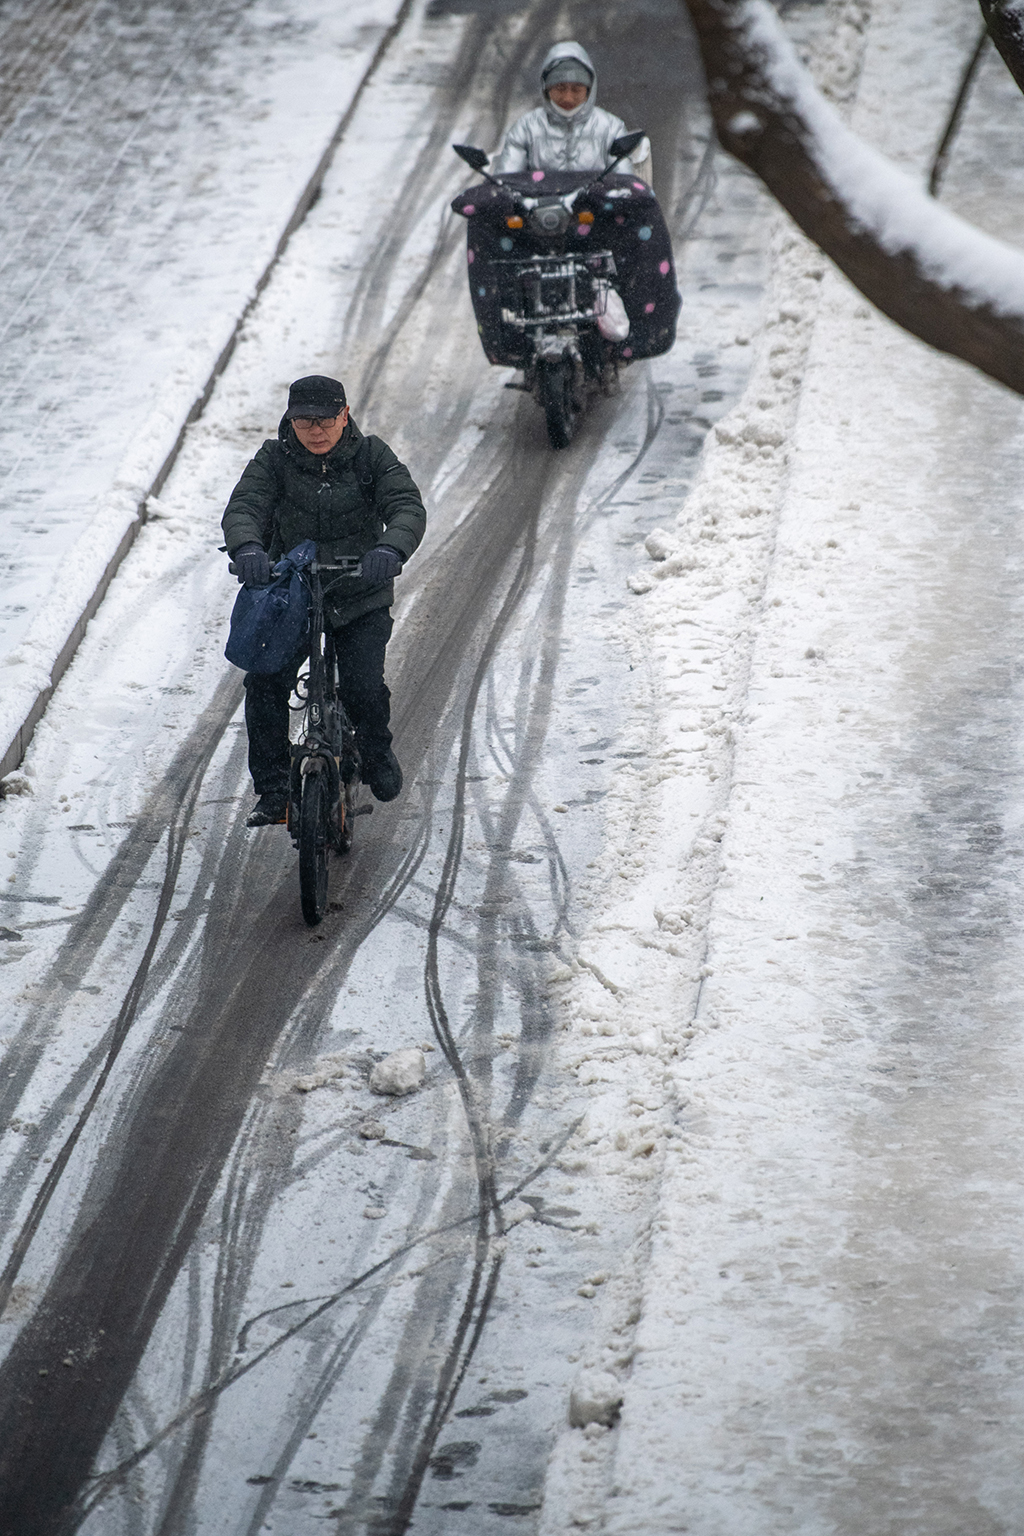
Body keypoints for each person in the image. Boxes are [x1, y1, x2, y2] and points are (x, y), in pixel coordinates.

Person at [222, 374, 426, 827]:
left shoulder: (372, 455)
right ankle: (274, 790)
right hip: (290, 596)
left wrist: (390, 549)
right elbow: (245, 506)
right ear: (291, 421)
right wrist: (249, 549)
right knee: (264, 682)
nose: (316, 430)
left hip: (358, 595)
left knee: (362, 687)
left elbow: (406, 506)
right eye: (305, 421)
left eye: (326, 419)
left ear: (345, 414)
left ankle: (375, 753)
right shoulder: (274, 460)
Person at [492, 40, 652, 184]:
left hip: (596, 213)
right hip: (536, 213)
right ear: (546, 89)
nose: (568, 98)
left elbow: (624, 184)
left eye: (576, 89)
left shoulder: (611, 127)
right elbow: (506, 181)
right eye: (560, 88)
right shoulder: (526, 127)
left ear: (589, 90)